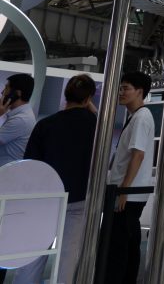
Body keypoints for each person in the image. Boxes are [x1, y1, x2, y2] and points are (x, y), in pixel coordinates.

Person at [15, 75, 98, 284]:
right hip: (79, 197)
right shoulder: (96, 127)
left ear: (65, 95)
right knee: (68, 256)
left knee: (33, 253)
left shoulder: (46, 124)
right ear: (89, 98)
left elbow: (31, 164)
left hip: (45, 198)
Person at [104, 71, 155, 284]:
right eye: (121, 88)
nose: (121, 92)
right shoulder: (136, 116)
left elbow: (138, 155)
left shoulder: (141, 118)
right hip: (129, 193)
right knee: (128, 244)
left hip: (128, 194)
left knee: (118, 246)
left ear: (140, 92)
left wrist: (124, 190)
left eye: (126, 88)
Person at [0, 74, 36, 166]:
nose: (2, 92)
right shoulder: (20, 115)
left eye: (7, 88)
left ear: (18, 93)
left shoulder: (20, 119)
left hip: (6, 172)